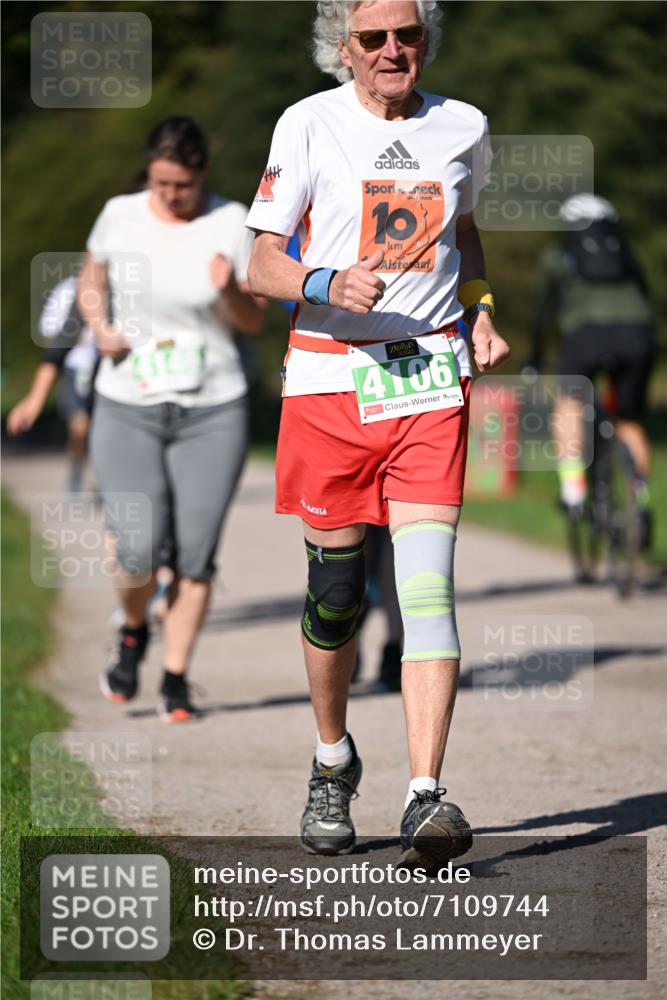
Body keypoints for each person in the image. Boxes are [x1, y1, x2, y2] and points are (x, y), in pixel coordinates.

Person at [246, 0, 509, 867]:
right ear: (342, 49)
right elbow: (259, 264)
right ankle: (333, 760)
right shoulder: (307, 123)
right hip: (328, 380)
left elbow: (463, 234)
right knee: (335, 596)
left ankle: (424, 796)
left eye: (409, 36)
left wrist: (479, 310)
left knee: (427, 592)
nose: (393, 51)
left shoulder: (462, 125)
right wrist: (322, 279)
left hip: (430, 382)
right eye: (373, 38)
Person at [78, 116, 265, 722]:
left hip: (212, 405)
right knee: (134, 549)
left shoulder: (232, 221)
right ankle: (134, 631)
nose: (169, 196)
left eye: (181, 185)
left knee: (195, 554)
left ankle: (178, 678)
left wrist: (229, 291)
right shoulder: (119, 214)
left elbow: (255, 321)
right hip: (127, 399)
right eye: (160, 184)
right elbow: (91, 280)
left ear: (201, 174)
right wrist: (99, 326)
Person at [531, 193, 655, 542]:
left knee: (569, 404)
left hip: (585, 338)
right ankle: (639, 500)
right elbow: (644, 294)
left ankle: (572, 490)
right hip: (637, 336)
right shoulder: (626, 251)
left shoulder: (559, 254)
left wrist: (535, 356)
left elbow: (543, 310)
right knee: (629, 421)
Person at [7, 274, 98, 493]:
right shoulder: (68, 290)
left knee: (103, 428)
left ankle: (105, 475)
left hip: (105, 369)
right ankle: (76, 467)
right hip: (74, 367)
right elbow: (51, 334)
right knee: (80, 424)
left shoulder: (123, 289)